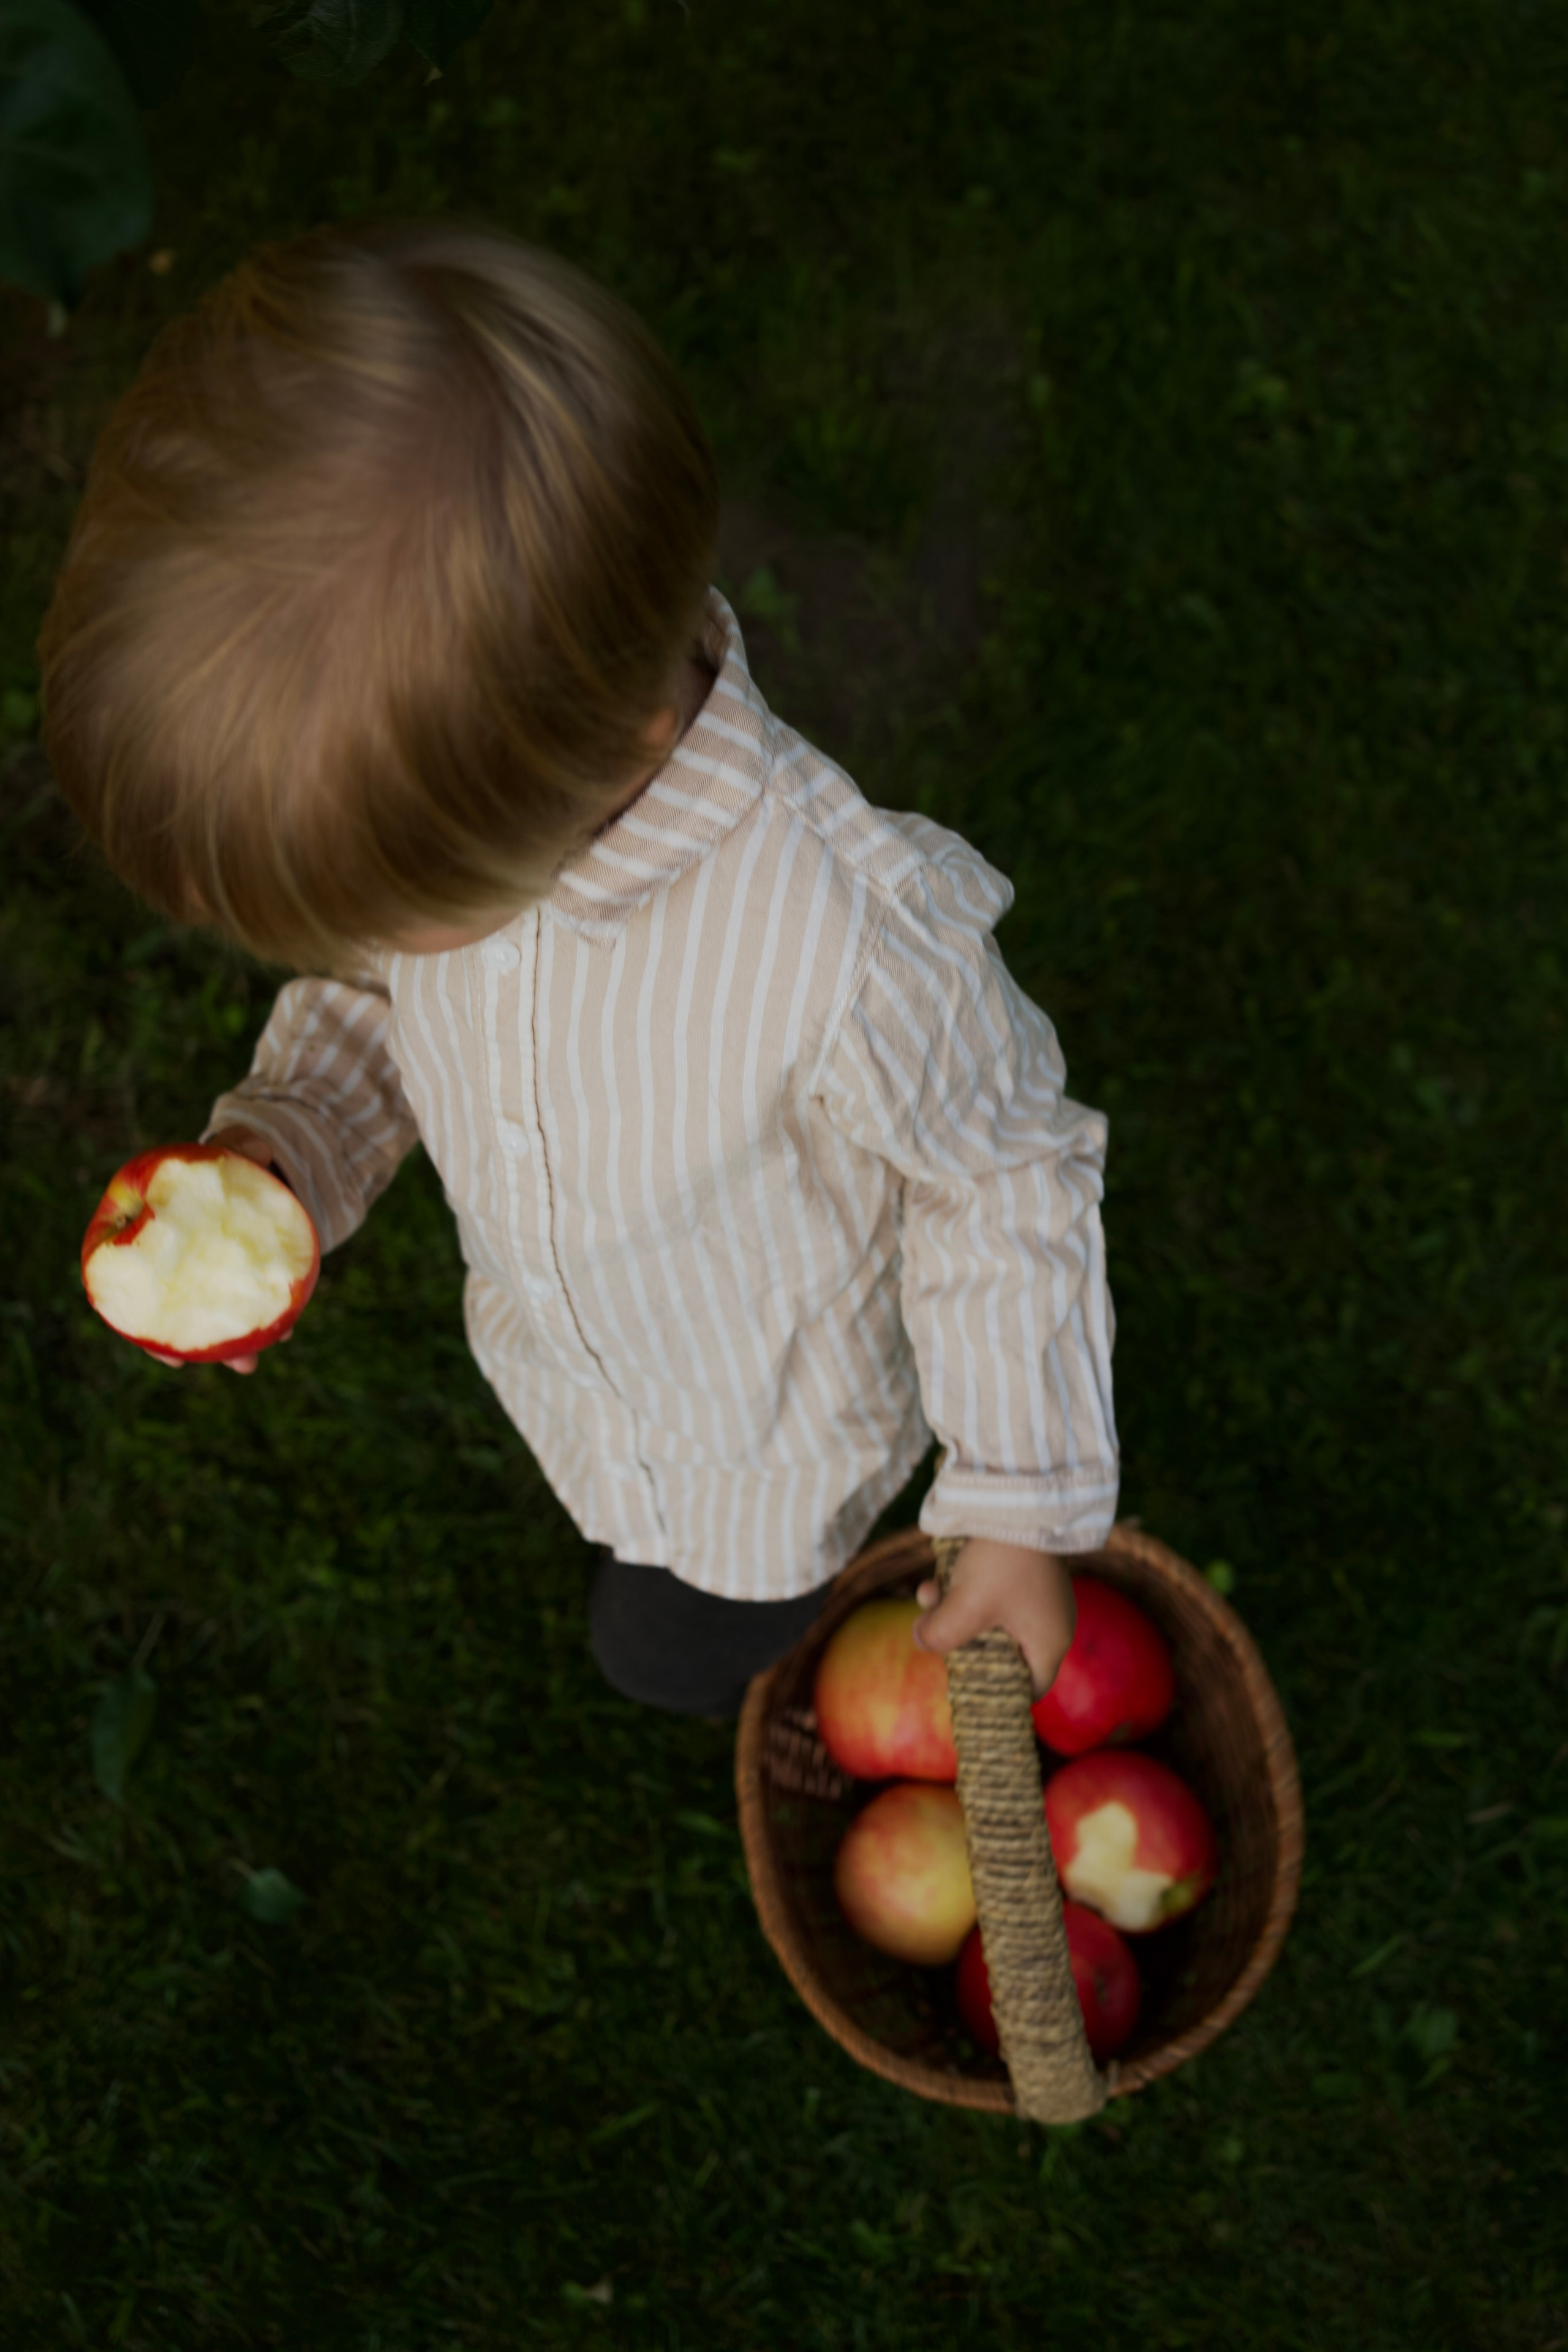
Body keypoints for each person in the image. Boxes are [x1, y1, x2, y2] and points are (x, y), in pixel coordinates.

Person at [39, 218, 1118, 1720]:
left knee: (670, 1644)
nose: (375, 944)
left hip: (767, 1434)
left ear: (564, 775)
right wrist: (290, 1149)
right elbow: (374, 998)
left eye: (393, 907)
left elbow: (1000, 1178)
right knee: (628, 1564)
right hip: (586, 1364)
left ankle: (765, 1618)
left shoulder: (845, 937)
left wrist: (1012, 1500)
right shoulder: (481, 804)